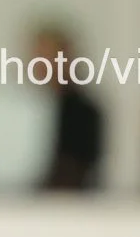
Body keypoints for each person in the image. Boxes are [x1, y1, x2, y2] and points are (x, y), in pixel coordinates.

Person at [27, 20, 103, 192]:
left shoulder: (83, 112)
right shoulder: (27, 107)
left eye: (47, 55)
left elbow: (76, 170)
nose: (40, 63)